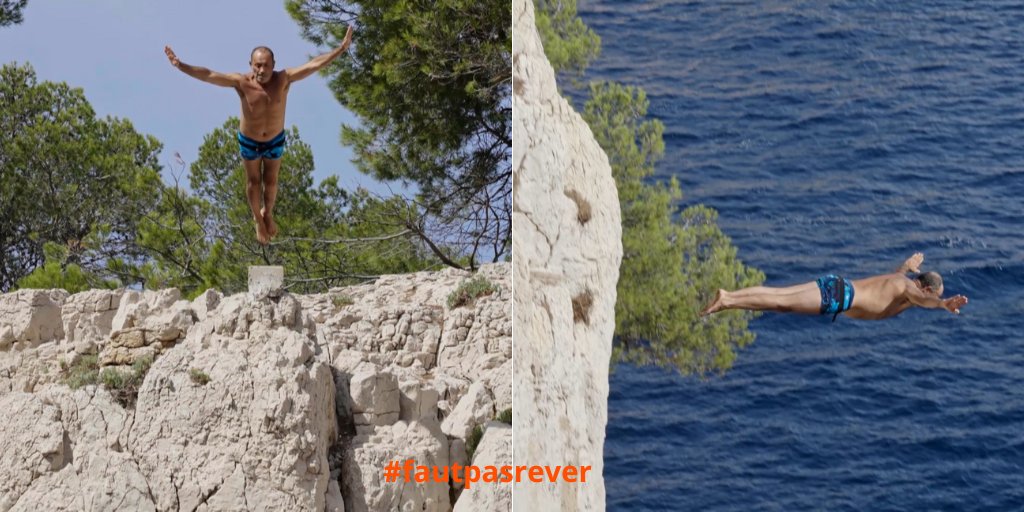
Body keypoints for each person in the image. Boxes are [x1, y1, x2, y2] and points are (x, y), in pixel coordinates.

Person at [164, 25, 354, 245]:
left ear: (274, 65)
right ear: (250, 65)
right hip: (250, 140)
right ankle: (257, 218)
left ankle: (268, 213)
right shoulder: (241, 82)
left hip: (274, 139)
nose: (261, 70)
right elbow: (208, 75)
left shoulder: (284, 79)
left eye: (266, 66)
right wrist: (181, 65)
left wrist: (340, 49)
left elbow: (313, 65)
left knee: (271, 182)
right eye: (257, 65)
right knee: (254, 182)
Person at [700, 252, 968, 320]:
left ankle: (728, 298)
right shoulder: (912, 292)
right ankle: (727, 300)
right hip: (840, 297)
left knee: (781, 300)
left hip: (839, 287)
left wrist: (905, 266)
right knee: (780, 301)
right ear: (926, 288)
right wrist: (942, 304)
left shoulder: (900, 282)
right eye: (935, 294)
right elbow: (923, 300)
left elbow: (893, 283)